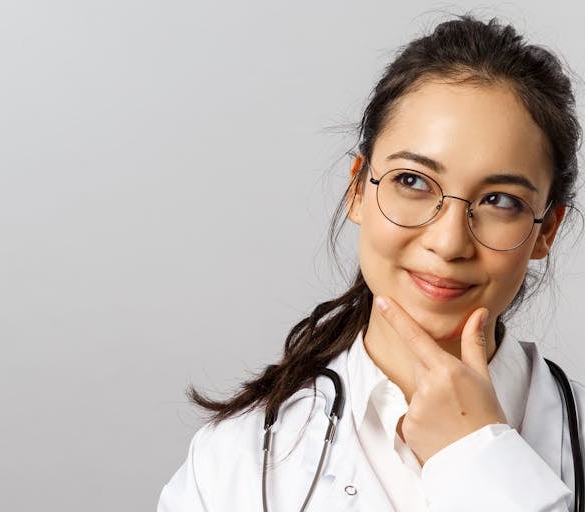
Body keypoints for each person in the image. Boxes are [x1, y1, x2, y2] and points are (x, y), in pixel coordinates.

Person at [157, 15, 585, 512]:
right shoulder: (236, 462)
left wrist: (478, 458)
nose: (449, 244)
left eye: (500, 200)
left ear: (545, 230)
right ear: (358, 188)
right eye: (413, 181)